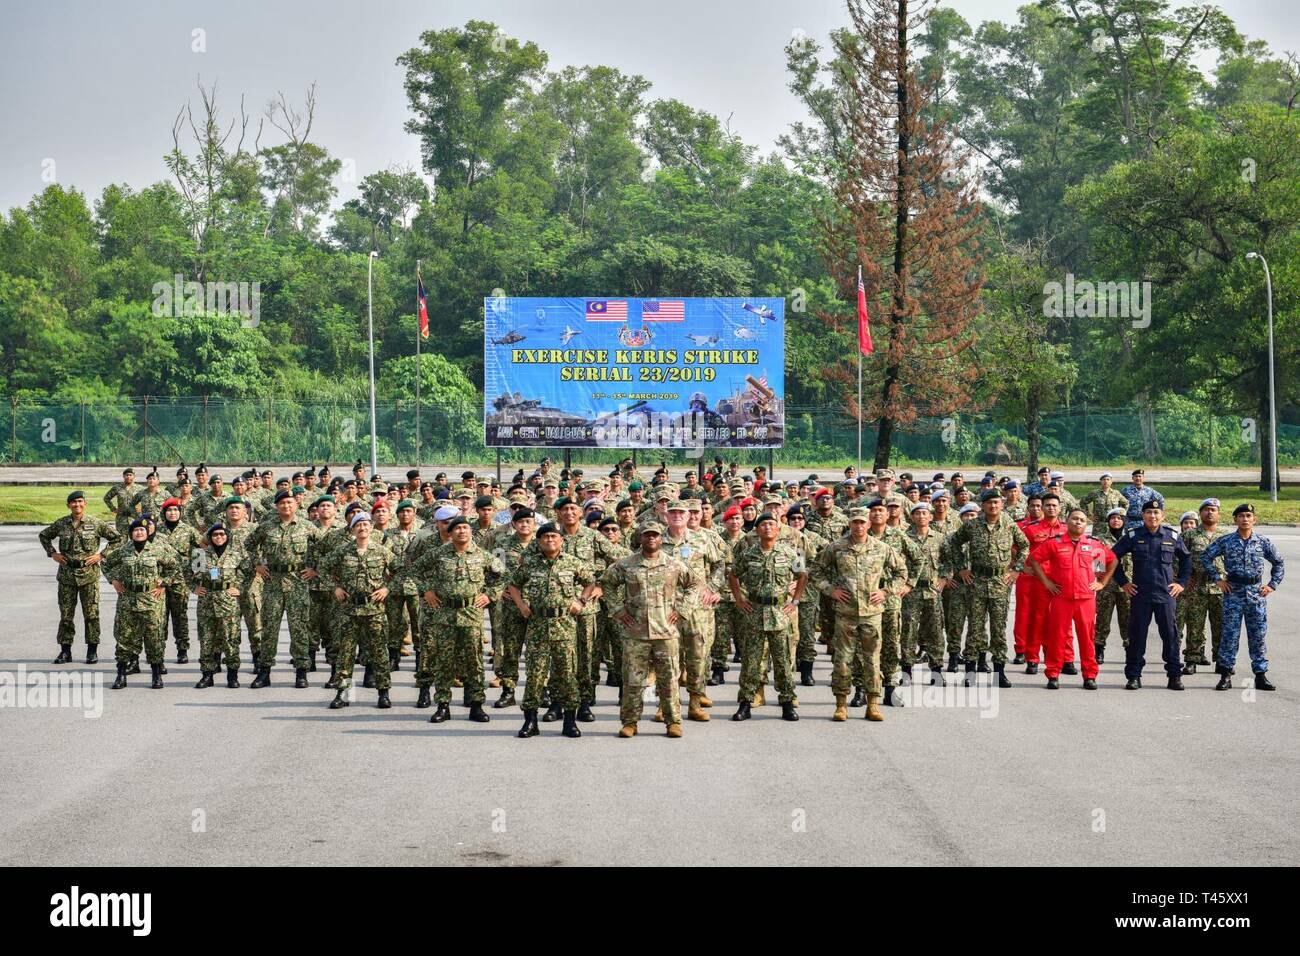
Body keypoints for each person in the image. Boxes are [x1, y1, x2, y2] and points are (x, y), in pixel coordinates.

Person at [601, 522, 698, 738]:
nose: (651, 538)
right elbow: (606, 583)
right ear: (640, 538)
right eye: (647, 535)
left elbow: (694, 584)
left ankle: (673, 721)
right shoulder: (627, 564)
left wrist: (682, 610)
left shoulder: (673, 564)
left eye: (655, 535)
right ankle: (630, 722)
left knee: (669, 679)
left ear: (661, 538)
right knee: (633, 681)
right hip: (635, 633)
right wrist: (618, 610)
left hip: (666, 632)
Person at [811, 507, 907, 722]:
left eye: (862, 522)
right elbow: (815, 570)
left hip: (871, 614)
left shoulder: (882, 548)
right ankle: (841, 705)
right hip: (846, 614)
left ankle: (872, 704)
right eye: (855, 522)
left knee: (872, 661)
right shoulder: (836, 547)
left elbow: (902, 572)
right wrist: (830, 590)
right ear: (849, 524)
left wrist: (885, 591)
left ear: (868, 524)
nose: (859, 526)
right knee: (843, 661)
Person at [507, 522, 597, 738]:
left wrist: (581, 601)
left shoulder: (573, 563)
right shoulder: (529, 563)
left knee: (567, 675)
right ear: (538, 541)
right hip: (537, 625)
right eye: (545, 537)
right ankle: (530, 720)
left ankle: (569, 721)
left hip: (564, 626)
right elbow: (513, 585)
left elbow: (590, 582)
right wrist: (521, 605)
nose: (549, 540)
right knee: (535, 675)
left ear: (561, 540)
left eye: (553, 536)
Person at [415, 515, 505, 723]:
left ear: (470, 531)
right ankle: (443, 705)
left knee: (474, 661)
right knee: (444, 661)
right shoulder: (438, 554)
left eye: (465, 528)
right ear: (450, 533)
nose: (462, 531)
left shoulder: (482, 555)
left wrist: (490, 595)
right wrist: (426, 591)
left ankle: (476, 704)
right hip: (444, 614)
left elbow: (504, 576)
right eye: (457, 528)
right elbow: (414, 570)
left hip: (471, 613)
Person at [1026, 508, 1116, 689]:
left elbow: (1110, 560)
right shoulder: (1055, 543)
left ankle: (1089, 675)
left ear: (1086, 524)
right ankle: (1053, 674)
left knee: (1087, 638)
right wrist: (1047, 582)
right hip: (1062, 598)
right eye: (1074, 519)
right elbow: (1034, 560)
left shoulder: (1094, 545)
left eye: (1082, 520)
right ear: (1067, 521)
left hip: (1086, 599)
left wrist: (1102, 582)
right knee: (1057, 637)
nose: (1078, 522)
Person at [948, 489, 1030, 688]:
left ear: (1001, 504)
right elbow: (954, 543)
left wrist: (1016, 570)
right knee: (975, 629)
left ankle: (999, 672)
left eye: (996, 502)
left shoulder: (1009, 525)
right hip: (976, 582)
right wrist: (961, 569)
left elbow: (1024, 546)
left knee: (999, 629)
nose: (993, 506)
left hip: (1000, 583)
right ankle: (970, 672)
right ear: (982, 506)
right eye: (989, 503)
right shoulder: (972, 525)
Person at [729, 512, 804, 722]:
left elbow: (803, 576)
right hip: (754, 613)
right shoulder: (748, 554)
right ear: (757, 530)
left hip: (780, 614)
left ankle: (787, 702)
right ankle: (745, 703)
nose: (767, 528)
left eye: (771, 524)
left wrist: (795, 600)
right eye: (763, 525)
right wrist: (739, 600)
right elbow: (733, 575)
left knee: (783, 661)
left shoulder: (790, 553)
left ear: (778, 529)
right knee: (751, 662)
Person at [1201, 503, 1283, 691]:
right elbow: (1206, 556)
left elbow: (1278, 562)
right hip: (1234, 593)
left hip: (1256, 593)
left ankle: (1260, 675)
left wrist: (1272, 585)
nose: (1245, 519)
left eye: (1248, 515)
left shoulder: (1262, 542)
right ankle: (1225, 675)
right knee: (1229, 635)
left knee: (1258, 636)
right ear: (1235, 520)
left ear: (1254, 519)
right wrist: (1217, 579)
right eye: (1241, 516)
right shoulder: (1227, 541)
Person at [1110, 502, 1191, 690]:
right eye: (1148, 512)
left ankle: (1174, 676)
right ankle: (1134, 676)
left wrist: (1181, 583)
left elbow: (1187, 559)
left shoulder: (1172, 536)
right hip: (1141, 595)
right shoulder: (1133, 535)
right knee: (1136, 637)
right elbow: (1112, 556)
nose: (1152, 516)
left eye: (1156, 512)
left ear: (1162, 515)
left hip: (1166, 595)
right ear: (1143, 515)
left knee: (1171, 636)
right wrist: (1123, 582)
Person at [245, 489, 320, 689]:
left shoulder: (307, 527)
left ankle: (302, 671)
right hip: (273, 584)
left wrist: (315, 569)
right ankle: (264, 671)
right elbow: (248, 545)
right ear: (276, 506)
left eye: (289, 502)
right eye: (282, 503)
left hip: (298, 583)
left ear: (296, 504)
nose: (286, 506)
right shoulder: (267, 527)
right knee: (269, 629)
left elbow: (325, 548)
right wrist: (256, 565)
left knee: (299, 629)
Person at [324, 512, 395, 709]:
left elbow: (403, 570)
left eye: (366, 525)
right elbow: (322, 568)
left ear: (371, 528)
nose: (362, 528)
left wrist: (387, 588)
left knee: (379, 653)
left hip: (374, 610)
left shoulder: (382, 551)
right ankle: (344, 694)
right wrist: (334, 587)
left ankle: (383, 693)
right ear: (352, 529)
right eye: (358, 525)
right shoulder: (343, 551)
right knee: (346, 654)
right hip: (349, 610)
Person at [39, 490, 121, 663]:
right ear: (68, 505)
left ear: (85, 504)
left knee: (91, 615)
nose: (77, 505)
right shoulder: (62, 524)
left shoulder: (95, 523)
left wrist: (102, 555)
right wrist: (53, 553)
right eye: (73, 502)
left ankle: (92, 650)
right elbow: (44, 536)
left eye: (80, 501)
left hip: (89, 576)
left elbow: (117, 539)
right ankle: (65, 651)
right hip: (67, 576)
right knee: (66, 615)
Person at [102, 517, 181, 689]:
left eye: (142, 530)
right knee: (124, 638)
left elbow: (175, 566)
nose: (139, 532)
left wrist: (164, 583)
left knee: (154, 639)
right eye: (136, 530)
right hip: (128, 600)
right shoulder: (123, 551)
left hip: (151, 600)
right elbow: (105, 564)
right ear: (131, 534)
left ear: (147, 533)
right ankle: (121, 675)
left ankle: (156, 675)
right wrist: (113, 581)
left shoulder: (157, 550)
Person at [191, 523, 249, 688]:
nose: (218, 537)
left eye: (222, 535)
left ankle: (232, 675)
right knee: (206, 640)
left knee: (231, 639)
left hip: (228, 602)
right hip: (206, 602)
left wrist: (240, 587)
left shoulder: (236, 554)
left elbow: (249, 572)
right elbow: (188, 574)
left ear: (227, 537)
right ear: (209, 537)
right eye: (215, 535)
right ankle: (207, 675)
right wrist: (194, 588)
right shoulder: (200, 555)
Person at [1179, 498, 1227, 673]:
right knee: (1195, 625)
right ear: (1201, 513)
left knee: (1220, 625)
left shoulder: (1226, 536)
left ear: (1218, 514)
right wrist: (1183, 578)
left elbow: (1232, 560)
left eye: (1213, 509)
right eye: (1206, 509)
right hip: (1196, 587)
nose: (1210, 512)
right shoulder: (1189, 535)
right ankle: (1192, 658)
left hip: (1220, 588)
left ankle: (1221, 660)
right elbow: (1178, 558)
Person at [1092, 508, 1131, 664]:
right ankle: (1099, 650)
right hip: (1106, 587)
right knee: (1102, 620)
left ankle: (1130, 651)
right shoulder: (1100, 540)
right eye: (1113, 518)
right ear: (1108, 521)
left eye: (1120, 518)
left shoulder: (1130, 539)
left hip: (1127, 588)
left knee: (1128, 621)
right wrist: (1100, 578)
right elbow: (1098, 565)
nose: (1116, 521)